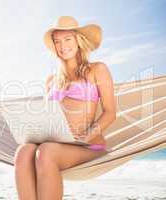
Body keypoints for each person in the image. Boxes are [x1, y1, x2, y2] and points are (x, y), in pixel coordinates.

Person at [13, 16, 116, 200]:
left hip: (87, 145)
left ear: (78, 40)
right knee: (23, 152)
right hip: (54, 144)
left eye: (67, 39)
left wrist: (85, 137)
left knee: (45, 152)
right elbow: (47, 117)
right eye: (57, 41)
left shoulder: (97, 70)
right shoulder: (51, 81)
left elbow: (110, 113)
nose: (62, 45)